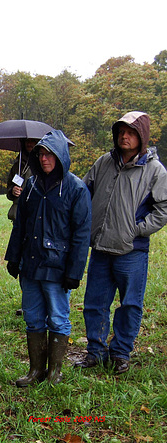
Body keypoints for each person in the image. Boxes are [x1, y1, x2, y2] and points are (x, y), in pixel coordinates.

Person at [75, 111, 167, 374]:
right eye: (121, 132)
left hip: (132, 251)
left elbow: (163, 207)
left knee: (130, 304)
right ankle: (95, 352)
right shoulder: (104, 162)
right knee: (94, 302)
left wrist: (137, 229)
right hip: (101, 247)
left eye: (131, 132)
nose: (124, 136)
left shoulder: (154, 170)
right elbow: (84, 193)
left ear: (142, 136)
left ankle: (120, 353)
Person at [5, 130, 91, 386]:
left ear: (60, 156)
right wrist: (14, 257)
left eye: (49, 154)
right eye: (40, 154)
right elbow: (20, 225)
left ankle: (54, 372)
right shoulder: (30, 186)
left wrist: (74, 272)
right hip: (31, 264)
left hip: (57, 267)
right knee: (32, 317)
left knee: (57, 317)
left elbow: (81, 234)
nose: (44, 159)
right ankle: (35, 371)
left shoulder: (76, 189)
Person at [6, 139, 38, 221]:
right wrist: (13, 190)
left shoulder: (42, 164)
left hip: (36, 213)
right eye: (27, 141)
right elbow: (9, 188)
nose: (29, 144)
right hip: (18, 215)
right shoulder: (17, 166)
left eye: (32, 141)